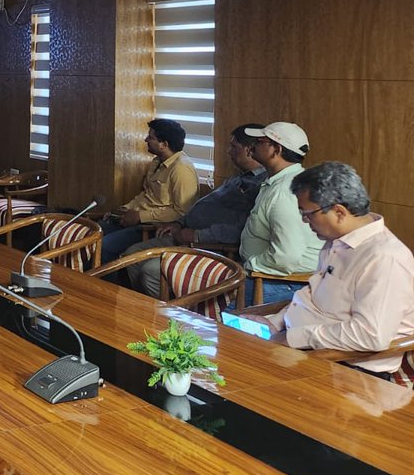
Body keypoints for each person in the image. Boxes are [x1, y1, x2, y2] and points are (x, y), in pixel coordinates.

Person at [265, 162, 414, 378]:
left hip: (348, 369)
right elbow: (313, 300)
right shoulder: (336, 241)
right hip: (304, 348)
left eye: (308, 214)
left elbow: (370, 335)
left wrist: (293, 338)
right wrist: (274, 322)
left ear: (339, 212)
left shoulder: (384, 257)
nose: (305, 221)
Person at [122, 124, 266, 298]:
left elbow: (239, 228)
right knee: (132, 256)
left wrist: (197, 235)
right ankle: (144, 309)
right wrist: (179, 223)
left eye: (233, 147)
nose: (228, 151)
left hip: (210, 245)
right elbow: (205, 205)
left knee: (151, 270)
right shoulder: (238, 176)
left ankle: (168, 315)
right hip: (183, 233)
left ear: (250, 150)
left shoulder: (260, 185)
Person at [239, 121, 322, 304]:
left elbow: (286, 257)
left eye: (260, 141)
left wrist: (250, 265)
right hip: (267, 275)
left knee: (218, 324)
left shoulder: (284, 192)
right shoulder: (282, 181)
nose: (252, 145)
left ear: (276, 149)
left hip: (282, 282)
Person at [101, 118, 199, 263]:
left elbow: (182, 212)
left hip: (153, 227)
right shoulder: (157, 162)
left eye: (151, 137)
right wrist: (125, 209)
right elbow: (147, 195)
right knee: (93, 233)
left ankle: (105, 285)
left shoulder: (181, 169)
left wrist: (141, 216)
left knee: (105, 246)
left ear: (164, 144)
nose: (146, 139)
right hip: (137, 219)